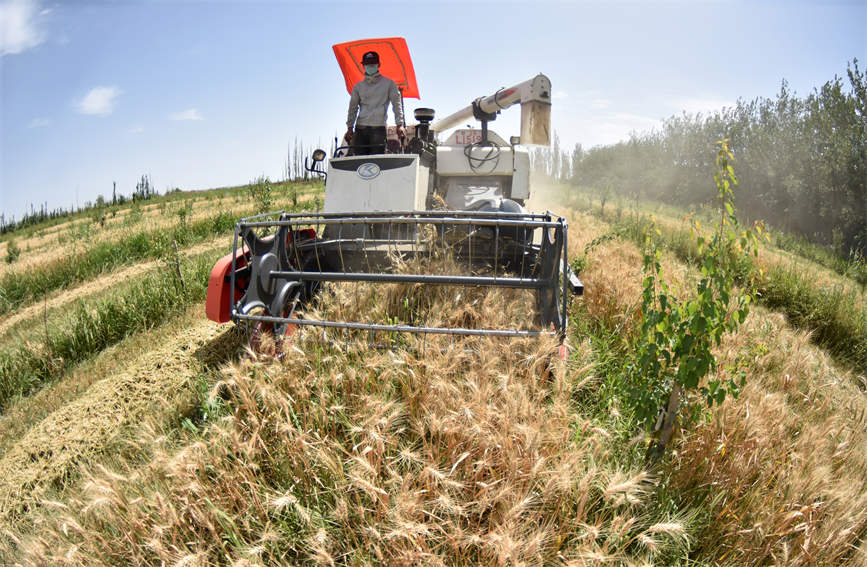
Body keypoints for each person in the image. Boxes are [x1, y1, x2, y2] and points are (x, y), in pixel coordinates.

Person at [345, 51, 406, 155]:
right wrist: (350, 127)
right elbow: (353, 108)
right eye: (367, 64)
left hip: (378, 128)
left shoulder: (389, 84)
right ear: (363, 66)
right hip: (360, 129)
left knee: (377, 164)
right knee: (359, 163)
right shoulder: (358, 87)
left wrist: (400, 124)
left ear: (379, 65)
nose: (370, 66)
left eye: (373, 64)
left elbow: (397, 104)